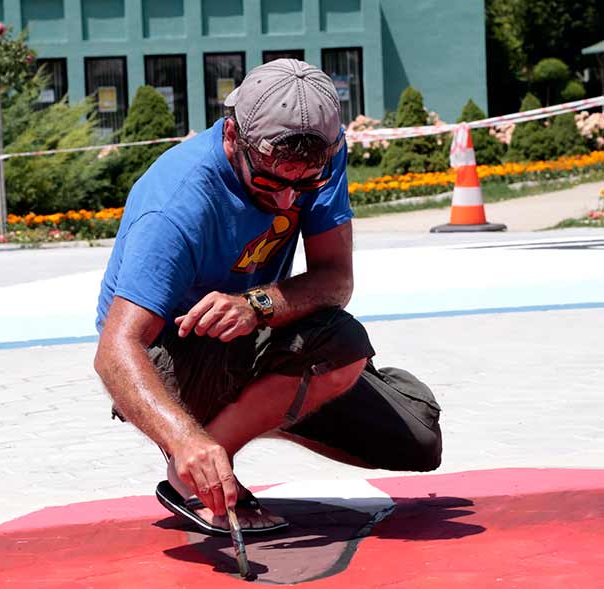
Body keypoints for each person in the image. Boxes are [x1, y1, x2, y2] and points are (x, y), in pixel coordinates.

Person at [94, 59, 442, 535]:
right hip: (172, 359)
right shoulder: (177, 204)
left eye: (305, 184)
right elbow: (115, 350)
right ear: (232, 136)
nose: (286, 200)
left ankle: (260, 412)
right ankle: (192, 476)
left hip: (251, 338)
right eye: (269, 183)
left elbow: (336, 280)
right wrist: (184, 439)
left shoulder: (317, 158)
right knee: (338, 341)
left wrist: (255, 305)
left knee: (417, 440)